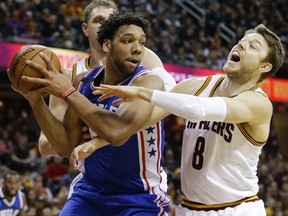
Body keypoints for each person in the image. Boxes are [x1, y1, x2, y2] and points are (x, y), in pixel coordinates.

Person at [91, 24, 285, 215]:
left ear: (265, 66)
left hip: (239, 209)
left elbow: (197, 109)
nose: (241, 45)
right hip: (190, 209)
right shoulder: (199, 85)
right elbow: (148, 118)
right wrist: (97, 142)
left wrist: (140, 91)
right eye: (242, 41)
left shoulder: (258, 103)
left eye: (253, 46)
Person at [16, 11, 171, 215]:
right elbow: (65, 146)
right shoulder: (84, 83)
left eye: (142, 43)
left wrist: (68, 92)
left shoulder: (147, 82)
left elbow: (117, 132)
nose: (137, 49)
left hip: (138, 196)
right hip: (90, 192)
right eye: (128, 41)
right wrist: (35, 101)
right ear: (107, 45)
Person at [39, 0, 175, 158]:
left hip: (138, 173)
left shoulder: (144, 57)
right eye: (99, 20)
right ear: (85, 29)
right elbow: (46, 147)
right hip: (92, 174)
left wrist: (103, 132)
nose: (106, 25)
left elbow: (173, 99)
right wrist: (83, 134)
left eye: (111, 19)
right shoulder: (73, 76)